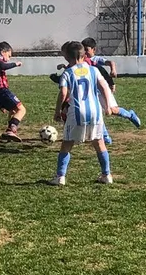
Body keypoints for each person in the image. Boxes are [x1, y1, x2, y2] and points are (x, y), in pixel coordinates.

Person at [49, 41, 115, 186]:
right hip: (95, 111)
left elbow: (63, 92)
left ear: (67, 56)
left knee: (67, 144)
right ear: (84, 54)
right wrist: (108, 106)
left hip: (77, 112)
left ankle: (60, 176)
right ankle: (106, 175)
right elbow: (104, 87)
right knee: (99, 142)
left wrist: (58, 111)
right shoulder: (93, 70)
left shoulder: (68, 72)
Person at [0, 41, 26, 142]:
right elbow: (2, 66)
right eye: (9, 55)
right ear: (4, 51)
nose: (8, 58)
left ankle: (9, 136)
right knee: (21, 109)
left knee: (12, 111)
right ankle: (11, 130)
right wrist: (15, 64)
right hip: (1, 89)